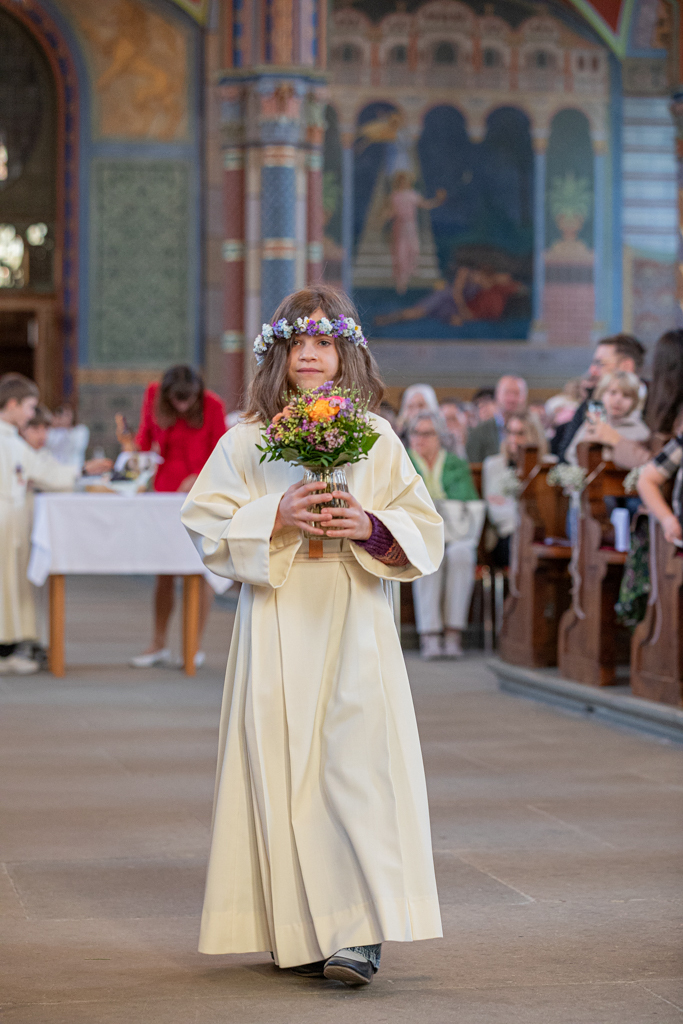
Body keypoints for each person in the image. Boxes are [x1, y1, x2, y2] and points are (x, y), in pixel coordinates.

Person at [180, 286, 443, 986]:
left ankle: (357, 931)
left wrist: (372, 526)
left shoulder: (376, 435)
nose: (309, 354)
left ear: (346, 353)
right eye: (296, 342)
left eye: (323, 342)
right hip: (278, 611)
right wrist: (274, 514)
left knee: (356, 766)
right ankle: (297, 929)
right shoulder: (247, 439)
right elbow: (204, 520)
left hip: (355, 610)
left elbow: (423, 524)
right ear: (276, 354)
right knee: (280, 770)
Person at [0, 374, 110, 675]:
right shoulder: (7, 440)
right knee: (5, 585)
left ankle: (11, 647)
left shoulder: (11, 439)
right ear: (12, 404)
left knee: (11, 585)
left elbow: (41, 470)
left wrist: (81, 470)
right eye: (29, 407)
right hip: (5, 522)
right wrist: (82, 470)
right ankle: (5, 651)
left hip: (12, 521)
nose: (30, 414)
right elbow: (41, 472)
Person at [124, 365, 226, 669]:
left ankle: (193, 647)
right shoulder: (153, 395)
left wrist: (199, 475)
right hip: (165, 493)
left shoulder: (213, 405)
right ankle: (158, 644)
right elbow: (144, 439)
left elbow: (223, 454)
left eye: (188, 400)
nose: (182, 406)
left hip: (201, 494)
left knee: (202, 571)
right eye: (176, 400)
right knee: (164, 570)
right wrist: (134, 463)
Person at [407, 409, 480, 659]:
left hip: (454, 533)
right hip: (416, 533)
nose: (420, 439)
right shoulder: (403, 461)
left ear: (439, 436)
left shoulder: (455, 463)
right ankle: (429, 634)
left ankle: (452, 633)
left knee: (462, 554)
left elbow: (467, 501)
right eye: (415, 433)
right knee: (428, 553)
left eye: (427, 433)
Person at [555, 334, 646, 463]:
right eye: (612, 393)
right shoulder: (595, 403)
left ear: (626, 366)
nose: (592, 370)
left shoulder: (657, 403)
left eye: (600, 363)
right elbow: (565, 454)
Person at [482, 412, 549, 567]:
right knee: (519, 545)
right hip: (506, 534)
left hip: (540, 534)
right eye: (510, 433)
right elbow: (496, 513)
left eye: (520, 434)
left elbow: (548, 510)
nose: (513, 439)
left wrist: (510, 504)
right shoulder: (493, 465)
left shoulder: (547, 465)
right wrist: (524, 517)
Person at [565, 371, 650, 466]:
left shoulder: (640, 431)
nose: (618, 400)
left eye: (626, 395)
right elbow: (570, 454)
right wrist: (586, 442)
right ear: (601, 394)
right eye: (613, 393)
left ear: (635, 401)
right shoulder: (593, 423)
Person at [465, 376, 528, 463]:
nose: (512, 399)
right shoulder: (479, 432)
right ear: (497, 395)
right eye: (507, 393)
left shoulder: (534, 429)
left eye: (516, 393)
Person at [45, 403, 90, 469]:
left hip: (74, 468)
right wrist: (53, 425)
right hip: (54, 468)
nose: (64, 418)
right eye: (61, 415)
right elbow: (47, 444)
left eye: (67, 415)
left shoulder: (80, 430)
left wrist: (66, 428)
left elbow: (77, 445)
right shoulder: (52, 431)